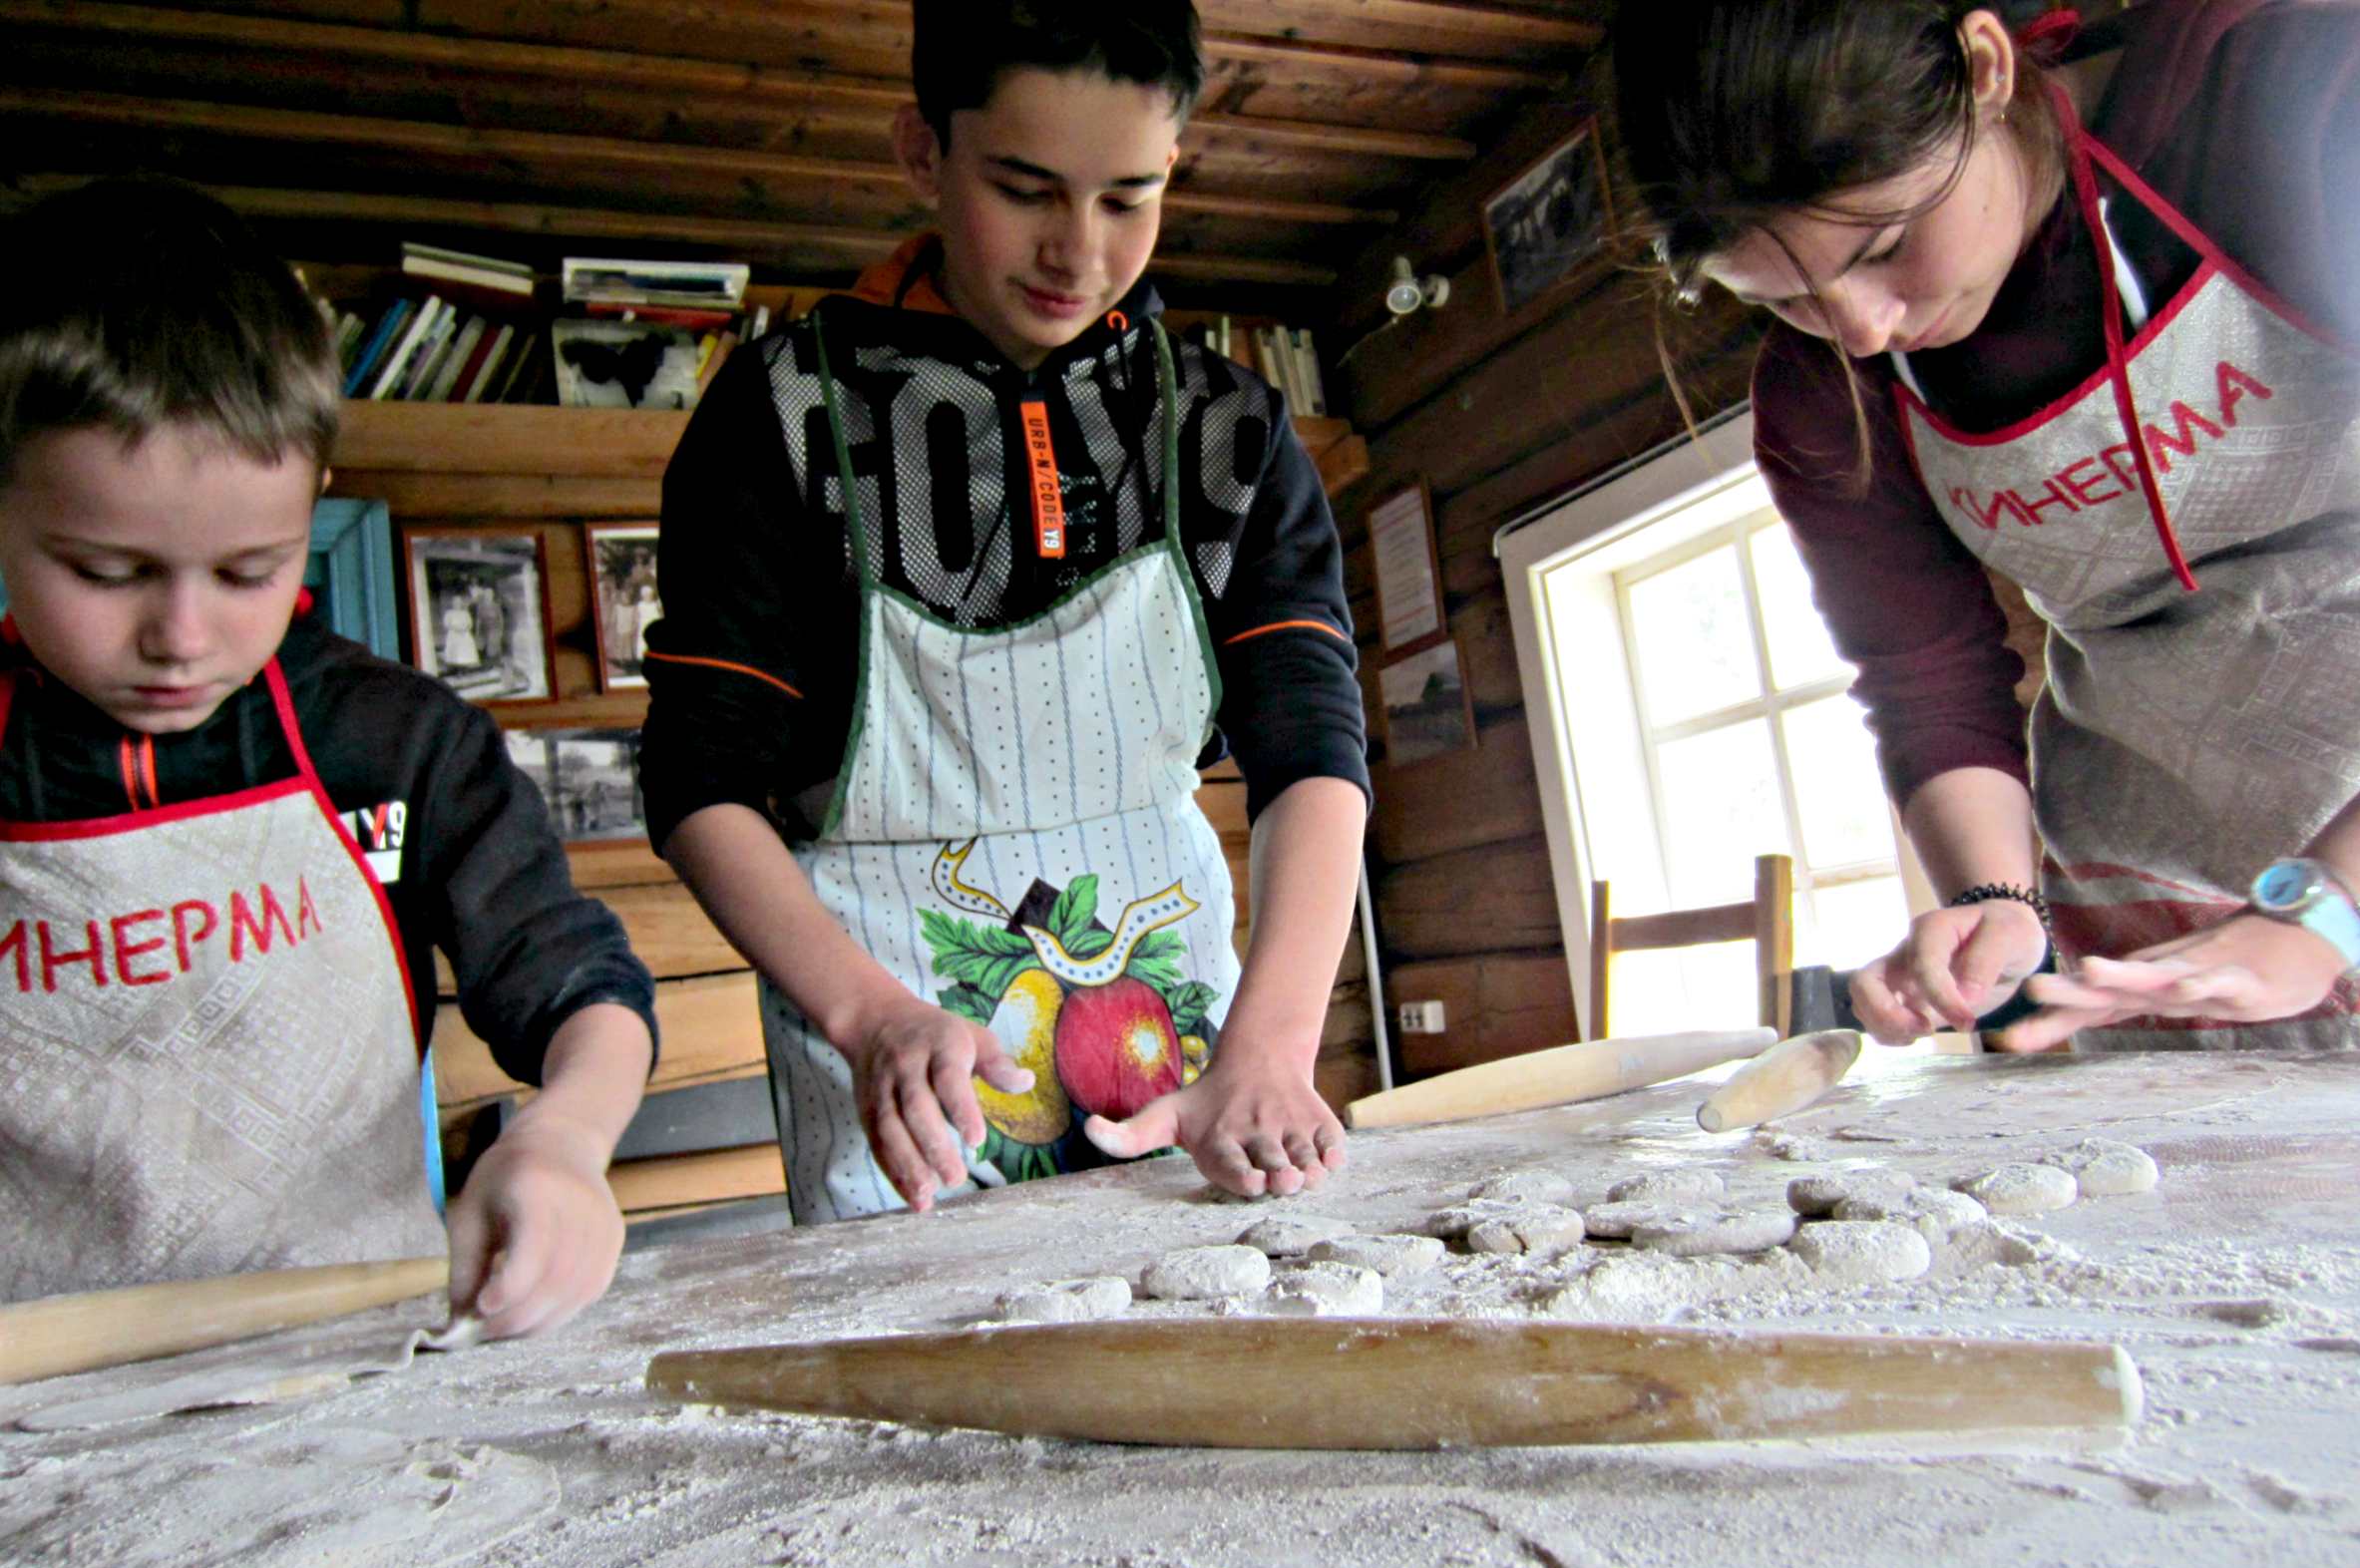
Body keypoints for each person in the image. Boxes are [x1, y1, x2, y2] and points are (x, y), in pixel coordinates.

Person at [642, 0, 1370, 1222]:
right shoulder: (782, 418)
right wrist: (866, 1014)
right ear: (923, 151)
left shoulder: (1226, 430)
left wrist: (1273, 1045)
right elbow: (698, 781)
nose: (1077, 253)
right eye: (1026, 189)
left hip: (1183, 1059)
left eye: (1127, 197)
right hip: (893, 1069)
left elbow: (1312, 745)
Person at [1610, 0, 2360, 1051]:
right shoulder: (1819, 394)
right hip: (2142, 893)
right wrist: (1993, 901)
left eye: (1884, 244)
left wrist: (2328, 910)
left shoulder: (2310, 96)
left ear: (1983, 66)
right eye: (1781, 298)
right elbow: (1924, 672)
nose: (1860, 326)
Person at [0, 179, 657, 1335]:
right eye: (108, 573)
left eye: (249, 570)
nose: (182, 637)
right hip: (36, 1394)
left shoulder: (393, 742)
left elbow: (577, 983)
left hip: (350, 1343)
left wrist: (563, 1141)